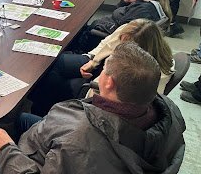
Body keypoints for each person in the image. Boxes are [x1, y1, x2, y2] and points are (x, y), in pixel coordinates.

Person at [0, 43, 185, 174]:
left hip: (39, 172)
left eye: (104, 68)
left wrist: (7, 150)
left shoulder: (78, 144)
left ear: (108, 82)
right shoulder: (167, 112)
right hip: (83, 155)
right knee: (21, 119)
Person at [30, 19, 175, 116]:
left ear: (142, 48)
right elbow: (109, 45)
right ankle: (42, 105)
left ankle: (42, 111)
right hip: (102, 76)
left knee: (57, 83)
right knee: (54, 66)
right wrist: (93, 62)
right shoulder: (147, 48)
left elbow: (133, 101)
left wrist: (101, 78)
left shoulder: (150, 73)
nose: (121, 47)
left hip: (97, 94)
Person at [72, 0, 172, 52]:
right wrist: (125, 1)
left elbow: (122, 30)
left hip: (103, 38)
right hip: (106, 32)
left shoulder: (144, 9)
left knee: (75, 31)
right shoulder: (150, 4)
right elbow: (121, 13)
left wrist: (99, 24)